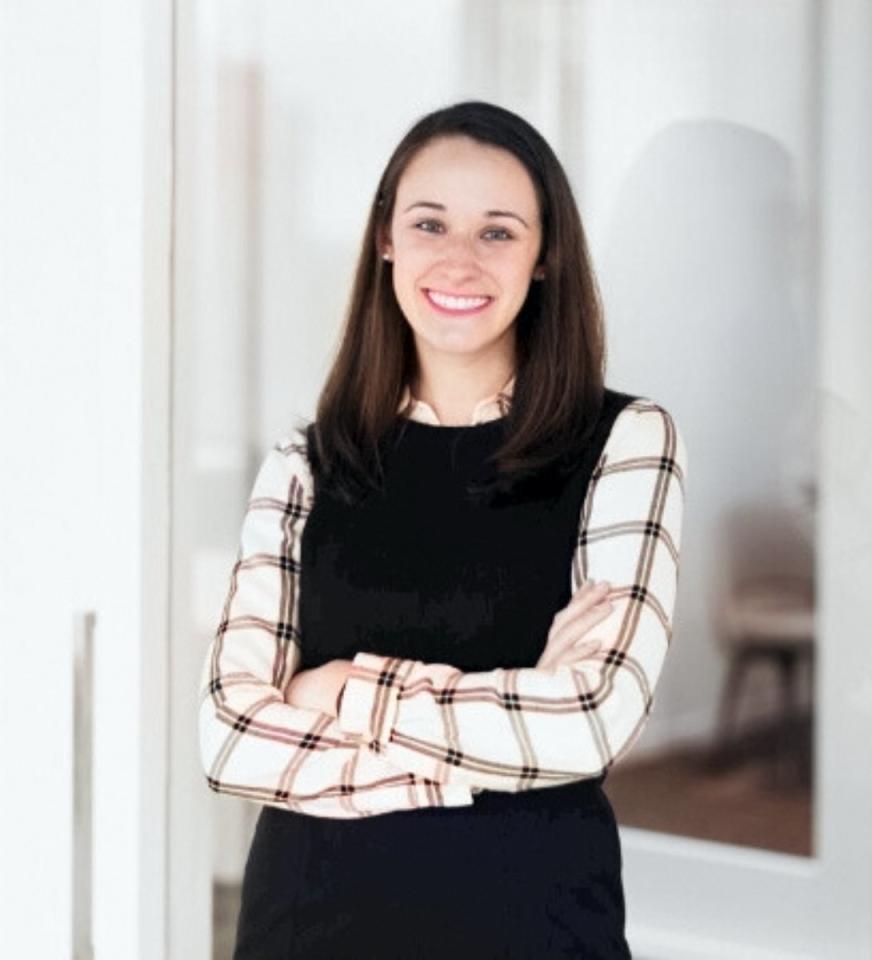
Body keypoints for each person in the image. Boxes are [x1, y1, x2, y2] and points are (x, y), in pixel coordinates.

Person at [197, 99, 688, 959]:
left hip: (531, 923)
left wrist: (341, 690)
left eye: (498, 232)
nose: (459, 259)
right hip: (307, 927)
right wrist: (507, 718)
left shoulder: (627, 440)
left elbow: (592, 718)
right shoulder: (305, 463)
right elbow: (232, 738)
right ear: (386, 238)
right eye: (430, 223)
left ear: (546, 258)